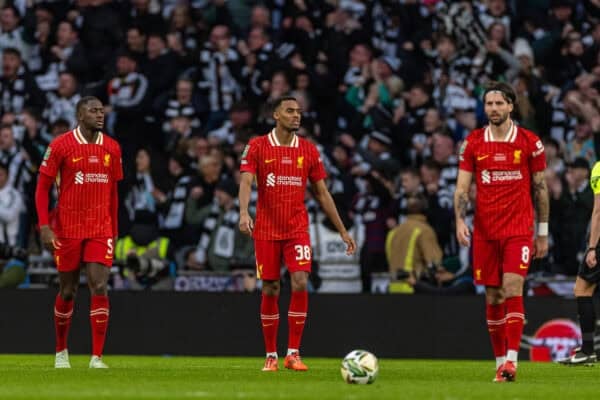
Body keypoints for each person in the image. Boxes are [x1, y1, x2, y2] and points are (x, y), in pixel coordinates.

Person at [239, 95, 356, 372]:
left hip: (296, 229)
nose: (296, 116)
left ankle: (293, 352)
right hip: (266, 229)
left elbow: (322, 193)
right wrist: (244, 212)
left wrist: (342, 230)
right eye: (289, 111)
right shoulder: (256, 146)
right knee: (271, 287)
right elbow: (245, 180)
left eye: (299, 112)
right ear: (276, 115)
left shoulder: (309, 150)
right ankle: (271, 355)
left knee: (300, 280)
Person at [454, 81, 549, 382]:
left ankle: (512, 362)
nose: (494, 108)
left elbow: (541, 188)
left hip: (518, 229)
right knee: (493, 296)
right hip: (484, 231)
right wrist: (459, 220)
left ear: (511, 106)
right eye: (489, 104)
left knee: (512, 287)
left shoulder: (529, 142)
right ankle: (499, 364)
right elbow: (461, 188)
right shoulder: (472, 143)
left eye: (499, 103)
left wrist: (542, 233)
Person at [35, 96, 123, 369]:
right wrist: (44, 226)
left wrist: (115, 230)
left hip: (100, 227)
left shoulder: (112, 147)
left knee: (99, 285)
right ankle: (61, 351)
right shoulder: (60, 145)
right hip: (68, 227)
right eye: (93, 111)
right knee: (68, 290)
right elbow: (42, 189)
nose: (100, 115)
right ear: (79, 115)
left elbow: (114, 194)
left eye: (102, 111)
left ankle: (97, 357)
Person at [559, 161, 600, 365]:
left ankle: (587, 350)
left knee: (582, 289)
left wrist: (592, 247)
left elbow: (598, 212)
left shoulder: (599, 169)